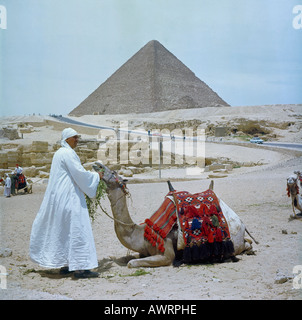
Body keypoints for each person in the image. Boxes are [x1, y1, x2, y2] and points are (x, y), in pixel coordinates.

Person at [30, 128, 103, 278]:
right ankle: (81, 268)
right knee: (78, 228)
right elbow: (79, 173)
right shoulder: (68, 153)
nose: (77, 140)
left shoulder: (58, 154)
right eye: (74, 137)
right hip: (70, 197)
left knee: (64, 230)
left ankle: (67, 264)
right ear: (67, 139)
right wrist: (96, 176)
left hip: (59, 198)